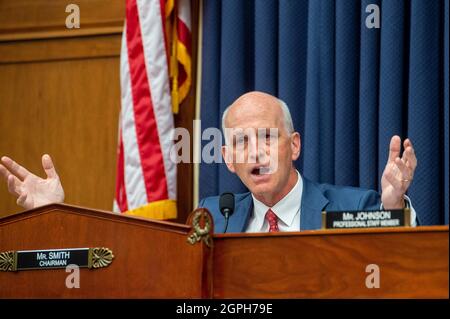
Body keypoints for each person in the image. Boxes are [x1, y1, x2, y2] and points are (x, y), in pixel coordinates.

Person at [0, 91, 417, 232]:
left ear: (294, 146)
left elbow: (395, 258)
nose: (255, 151)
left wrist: (394, 205)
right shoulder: (212, 218)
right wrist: (58, 213)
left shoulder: (352, 208)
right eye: (241, 142)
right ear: (227, 158)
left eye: (267, 137)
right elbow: (139, 256)